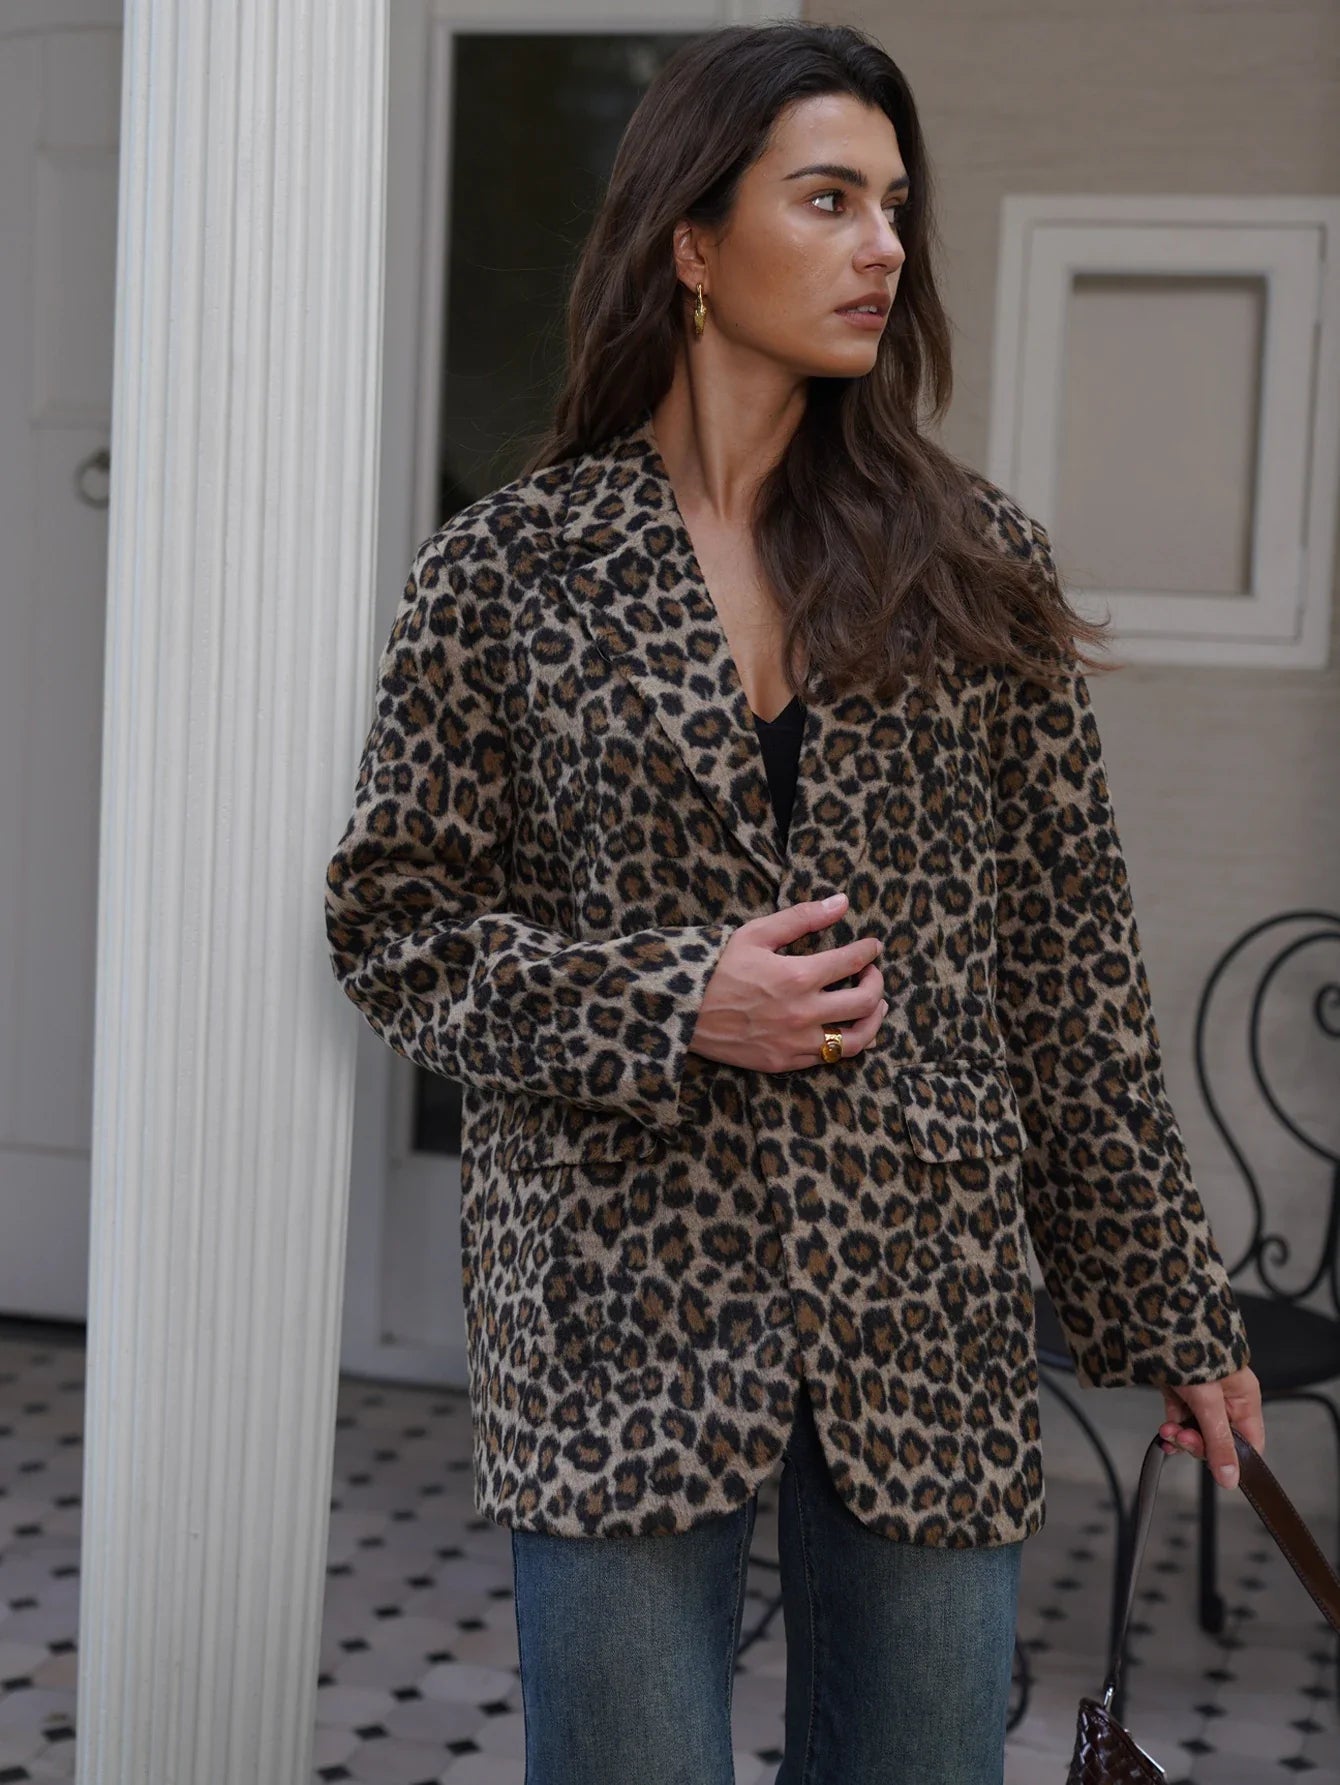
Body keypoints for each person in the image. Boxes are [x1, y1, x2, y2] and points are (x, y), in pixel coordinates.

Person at [323, 20, 1264, 1784]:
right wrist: (676, 1001)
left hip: (926, 1298)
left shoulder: (969, 565)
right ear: (693, 240)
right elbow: (393, 924)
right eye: (828, 199)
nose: (882, 246)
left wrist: (1169, 1307)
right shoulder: (509, 571)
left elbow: (1070, 971)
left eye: (894, 206)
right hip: (612, 1301)